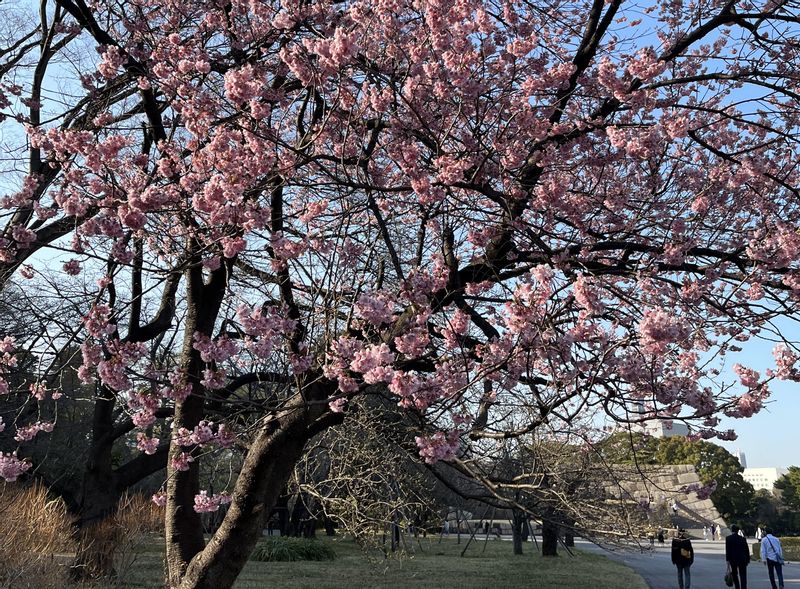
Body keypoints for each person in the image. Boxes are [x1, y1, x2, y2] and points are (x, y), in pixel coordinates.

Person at [726, 524, 750, 589]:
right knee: (743, 575)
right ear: (738, 530)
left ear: (731, 530)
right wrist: (748, 559)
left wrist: (727, 560)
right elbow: (746, 550)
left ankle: (737, 587)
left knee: (734, 574)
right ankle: (744, 587)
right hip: (742, 559)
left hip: (733, 559)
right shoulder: (742, 539)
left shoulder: (728, 538)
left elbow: (728, 550)